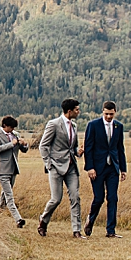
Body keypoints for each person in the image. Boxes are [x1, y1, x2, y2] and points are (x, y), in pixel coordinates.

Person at [38, 98, 84, 237]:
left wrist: (78, 152)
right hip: (56, 167)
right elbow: (43, 145)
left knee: (75, 197)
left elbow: (73, 147)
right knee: (56, 199)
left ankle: (76, 230)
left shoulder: (74, 126)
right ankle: (43, 221)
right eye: (77, 109)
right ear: (69, 111)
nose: (78, 111)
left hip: (71, 167)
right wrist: (49, 164)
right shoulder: (54, 124)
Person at [83, 100, 127, 237]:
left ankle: (111, 231)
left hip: (113, 168)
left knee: (113, 198)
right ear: (103, 111)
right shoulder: (93, 125)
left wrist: (123, 169)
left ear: (115, 112)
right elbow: (88, 148)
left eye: (111, 114)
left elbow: (120, 148)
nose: (109, 116)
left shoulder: (118, 127)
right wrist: (90, 167)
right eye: (107, 114)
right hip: (97, 168)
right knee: (99, 198)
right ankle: (90, 220)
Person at [0, 117, 28, 225]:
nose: (12, 130)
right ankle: (18, 219)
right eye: (10, 127)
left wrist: (24, 144)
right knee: (9, 195)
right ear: (4, 126)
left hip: (13, 168)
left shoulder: (15, 134)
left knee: (5, 193)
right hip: (2, 169)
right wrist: (12, 144)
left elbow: (23, 150)